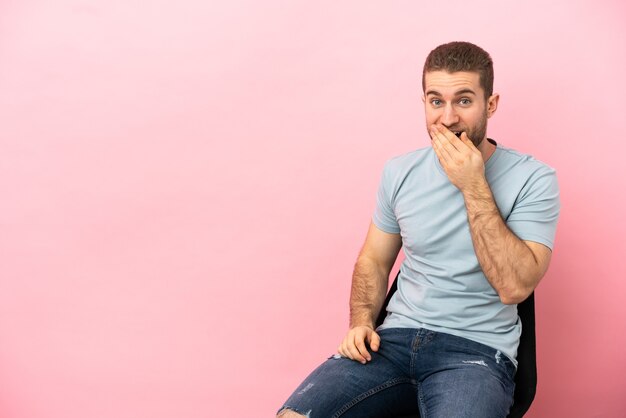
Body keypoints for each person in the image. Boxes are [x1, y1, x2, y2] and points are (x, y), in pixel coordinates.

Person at [277, 41, 560, 418]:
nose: (447, 119)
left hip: (475, 353)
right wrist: (361, 322)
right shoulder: (400, 172)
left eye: (463, 101)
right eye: (435, 101)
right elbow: (374, 260)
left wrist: (472, 184)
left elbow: (515, 286)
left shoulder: (534, 179)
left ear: (490, 105)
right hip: (392, 343)